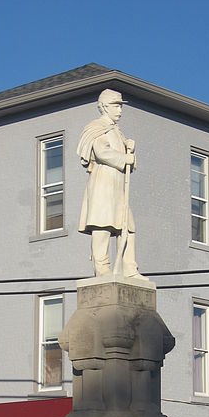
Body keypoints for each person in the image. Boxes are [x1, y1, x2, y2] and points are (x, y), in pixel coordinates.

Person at [77, 89, 147, 279]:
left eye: (120, 106)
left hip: (118, 184)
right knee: (103, 225)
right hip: (103, 181)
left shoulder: (118, 132)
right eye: (116, 106)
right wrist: (126, 157)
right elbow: (102, 153)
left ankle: (130, 269)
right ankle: (103, 270)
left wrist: (129, 150)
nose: (120, 110)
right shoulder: (97, 127)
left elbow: (128, 162)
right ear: (104, 107)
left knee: (128, 227)